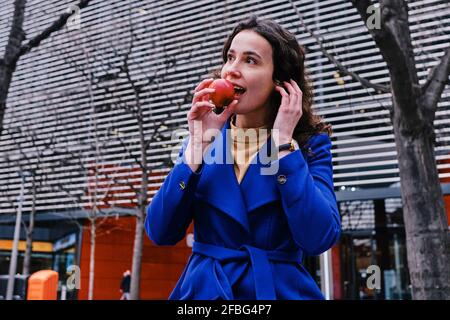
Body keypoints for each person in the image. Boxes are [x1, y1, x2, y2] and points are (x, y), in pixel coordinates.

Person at [145, 15, 341, 300]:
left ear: (281, 80)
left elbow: (318, 238)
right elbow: (160, 231)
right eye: (230, 57)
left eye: (251, 60)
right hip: (205, 291)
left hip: (276, 290)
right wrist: (197, 147)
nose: (232, 70)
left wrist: (283, 145)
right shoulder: (201, 140)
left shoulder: (308, 145)